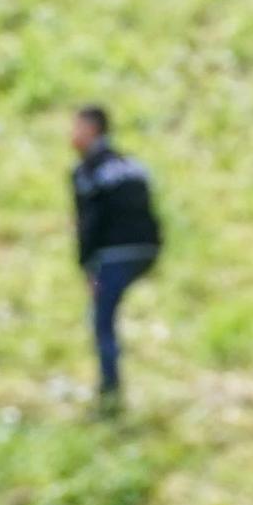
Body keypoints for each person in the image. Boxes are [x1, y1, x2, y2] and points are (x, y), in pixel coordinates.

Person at [70, 105, 162, 408]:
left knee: (102, 322)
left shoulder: (88, 172)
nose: (71, 134)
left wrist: (86, 267)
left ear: (92, 129)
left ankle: (110, 393)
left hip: (112, 255)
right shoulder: (133, 166)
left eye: (76, 127)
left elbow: (88, 223)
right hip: (147, 249)